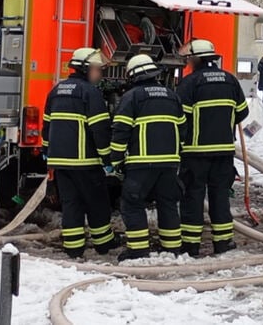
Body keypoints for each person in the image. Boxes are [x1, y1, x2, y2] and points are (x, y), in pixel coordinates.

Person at [42, 47, 119, 259]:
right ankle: (104, 244)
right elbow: (99, 130)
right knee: (97, 203)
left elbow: (47, 125)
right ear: (86, 69)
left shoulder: (56, 90)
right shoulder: (90, 93)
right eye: (97, 69)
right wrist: (107, 159)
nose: (99, 74)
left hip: (61, 163)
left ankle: (74, 248)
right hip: (86, 162)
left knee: (71, 204)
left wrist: (47, 151)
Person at [176, 39, 249, 256]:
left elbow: (180, 118)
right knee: (219, 197)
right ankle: (224, 242)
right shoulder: (230, 80)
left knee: (193, 197)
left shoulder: (189, 83)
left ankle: (191, 245)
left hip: (195, 153)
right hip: (224, 152)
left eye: (190, 58)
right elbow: (242, 113)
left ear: (196, 59)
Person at [110, 54, 186, 260]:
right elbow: (183, 129)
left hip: (140, 164)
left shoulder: (132, 97)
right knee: (168, 203)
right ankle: (172, 249)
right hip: (169, 164)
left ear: (133, 76)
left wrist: (115, 160)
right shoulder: (172, 96)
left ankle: (138, 249)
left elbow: (121, 130)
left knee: (132, 204)